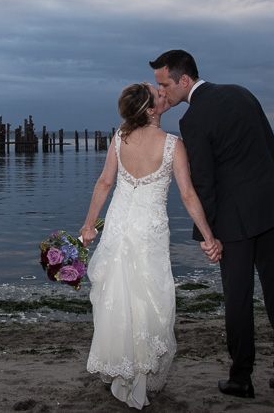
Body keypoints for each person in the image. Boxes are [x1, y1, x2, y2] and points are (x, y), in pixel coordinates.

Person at [150, 49, 274, 399]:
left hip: (234, 220)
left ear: (184, 80)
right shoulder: (241, 92)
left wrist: (208, 235)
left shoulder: (194, 120)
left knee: (238, 297)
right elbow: (270, 148)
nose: (162, 93)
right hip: (272, 207)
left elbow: (204, 184)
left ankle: (241, 377)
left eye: (164, 84)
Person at [80, 82, 222, 409]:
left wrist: (90, 224)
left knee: (120, 296)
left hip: (119, 224)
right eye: (156, 94)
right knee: (149, 297)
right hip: (148, 230)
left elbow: (104, 182)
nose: (162, 94)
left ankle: (125, 375)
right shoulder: (173, 145)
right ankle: (137, 378)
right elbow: (188, 196)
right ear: (150, 109)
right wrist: (209, 238)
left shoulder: (119, 138)